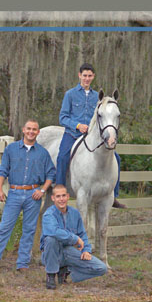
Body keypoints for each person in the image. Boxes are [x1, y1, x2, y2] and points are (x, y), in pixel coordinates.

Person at [0, 120, 56, 272]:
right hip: (14, 193)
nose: (31, 132)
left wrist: (42, 190)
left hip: (33, 195)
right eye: (28, 129)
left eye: (34, 129)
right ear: (23, 130)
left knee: (29, 230)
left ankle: (22, 263)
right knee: (4, 228)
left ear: (38, 132)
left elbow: (51, 173)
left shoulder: (43, 153)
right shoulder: (11, 149)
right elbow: (2, 170)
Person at [56, 63, 125, 208]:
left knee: (116, 158)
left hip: (92, 137)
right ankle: (60, 190)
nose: (87, 79)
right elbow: (63, 117)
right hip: (73, 134)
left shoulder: (97, 97)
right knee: (62, 156)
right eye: (84, 75)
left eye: (90, 76)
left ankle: (114, 195)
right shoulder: (70, 94)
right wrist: (77, 125)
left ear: (93, 77)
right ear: (79, 75)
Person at [40, 184, 107, 289]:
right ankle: (51, 275)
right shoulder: (48, 214)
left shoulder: (75, 213)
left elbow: (82, 233)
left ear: (68, 196)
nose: (61, 199)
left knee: (101, 268)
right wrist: (75, 239)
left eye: (63, 196)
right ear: (53, 198)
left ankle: (68, 272)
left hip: (69, 252)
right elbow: (53, 231)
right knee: (50, 239)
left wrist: (86, 250)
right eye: (58, 196)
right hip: (52, 253)